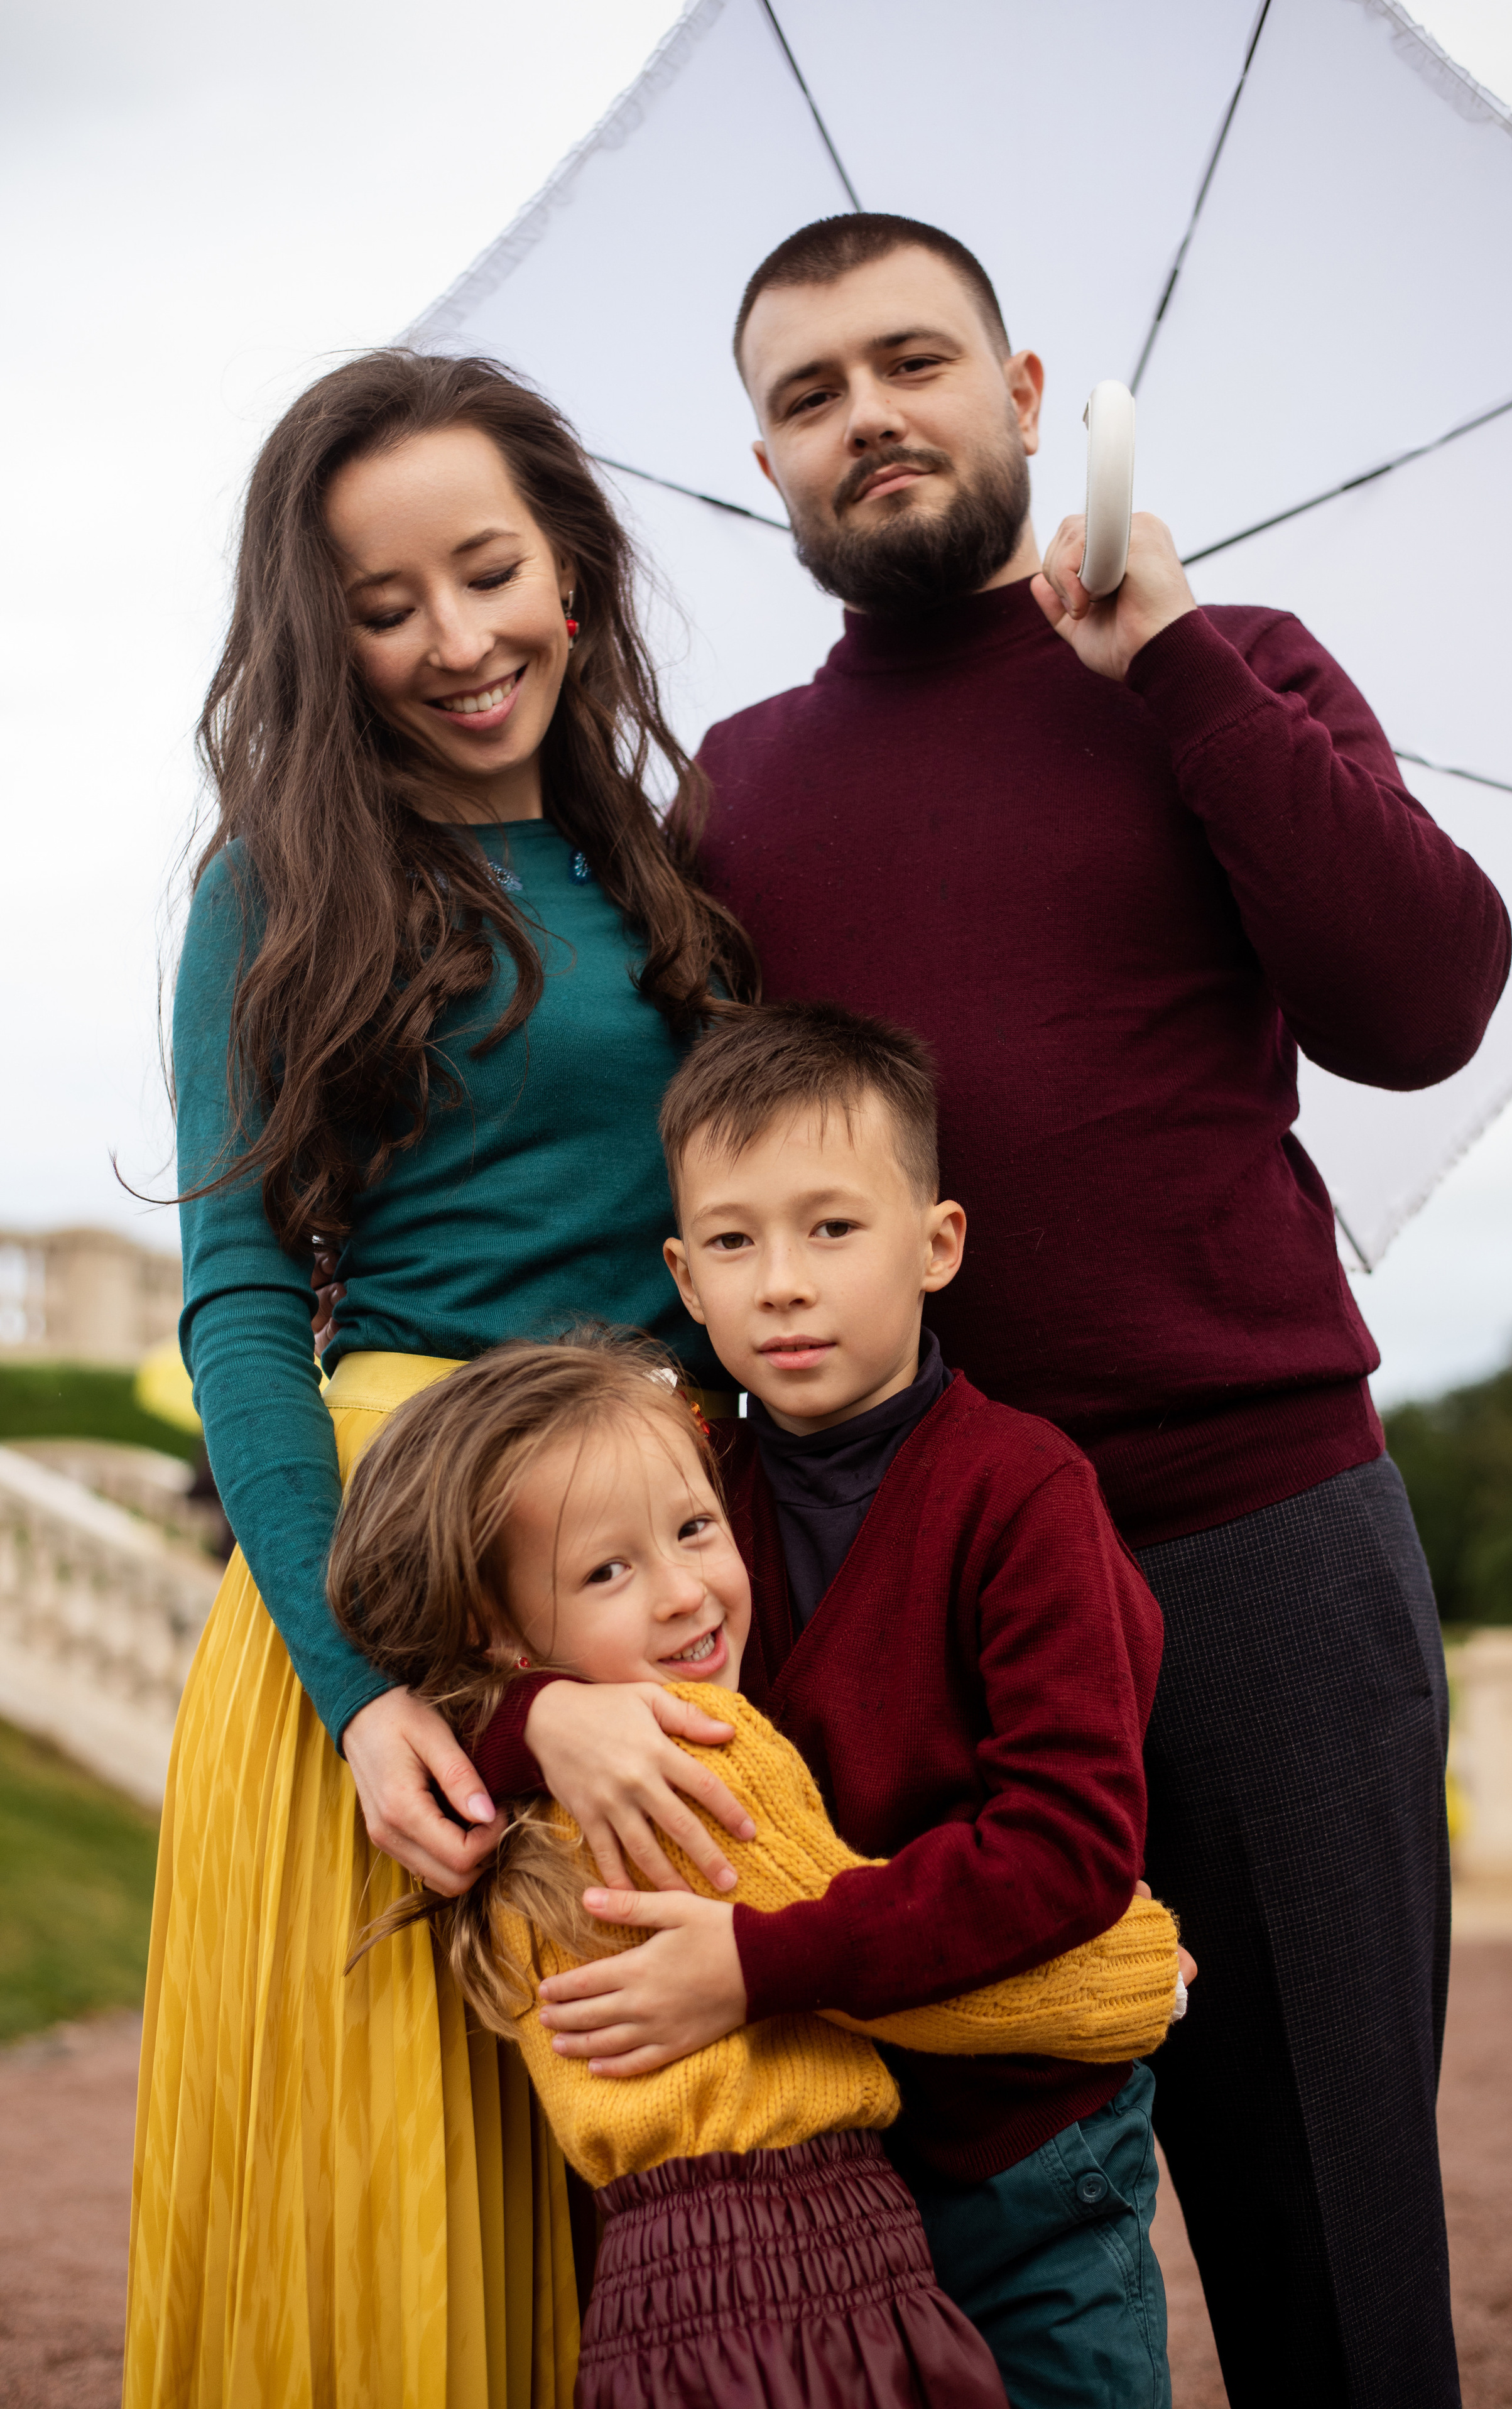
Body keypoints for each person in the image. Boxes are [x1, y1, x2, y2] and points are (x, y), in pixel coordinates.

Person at [681, 215, 1508, 2409]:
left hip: (1259, 1547)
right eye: (806, 391)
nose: (867, 412)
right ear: (765, 461)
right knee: (945, 2269)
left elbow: (1422, 1004)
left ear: (1029, 395)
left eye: (911, 359)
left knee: (1335, 2242)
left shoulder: (1235, 663)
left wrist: (1176, 666)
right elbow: (690, 1196)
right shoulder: (733, 792)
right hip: (901, 1573)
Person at [127, 349, 773, 2407]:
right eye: (381, 605)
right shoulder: (275, 885)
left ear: (570, 571)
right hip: (394, 1584)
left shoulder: (673, 877)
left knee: (678, 2219)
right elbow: (240, 1298)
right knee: (395, 2259)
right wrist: (369, 1681)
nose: (450, 639)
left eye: (484, 569)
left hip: (658, 1558)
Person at [484, 1003, 1189, 2406]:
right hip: (817, 2176)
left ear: (935, 1244)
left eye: (830, 1230)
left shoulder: (1018, 1491)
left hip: (1021, 2138)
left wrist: (754, 1962)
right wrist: (537, 1721)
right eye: (734, 1243)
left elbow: (1066, 1848)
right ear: (681, 1277)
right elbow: (490, 1664)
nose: (781, 1285)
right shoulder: (687, 1491)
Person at [326, 1327, 1187, 2408]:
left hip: (656, 2299)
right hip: (811, 2271)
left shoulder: (515, 1806)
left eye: (696, 1529)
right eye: (607, 1570)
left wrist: (530, 1715)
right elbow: (885, 1971)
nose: (685, 1592)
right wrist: (1136, 1976)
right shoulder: (690, 1767)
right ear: (498, 1628)